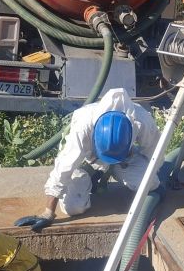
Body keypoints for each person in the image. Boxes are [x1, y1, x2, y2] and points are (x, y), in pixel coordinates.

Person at [15, 88, 160, 231]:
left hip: (123, 158)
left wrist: (153, 173)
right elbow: (65, 166)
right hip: (86, 160)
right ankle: (88, 178)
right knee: (74, 207)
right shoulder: (83, 125)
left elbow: (155, 152)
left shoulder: (141, 120)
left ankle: (107, 175)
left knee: (151, 184)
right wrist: (48, 212)